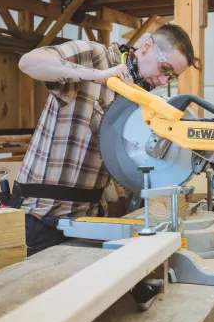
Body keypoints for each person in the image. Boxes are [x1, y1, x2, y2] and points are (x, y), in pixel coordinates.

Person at [13, 24, 196, 256]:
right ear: (147, 46)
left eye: (171, 76)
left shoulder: (139, 97)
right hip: (41, 216)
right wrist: (97, 77)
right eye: (164, 68)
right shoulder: (95, 56)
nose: (162, 80)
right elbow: (28, 62)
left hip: (89, 221)